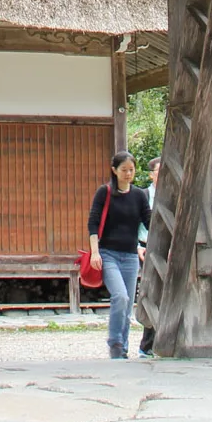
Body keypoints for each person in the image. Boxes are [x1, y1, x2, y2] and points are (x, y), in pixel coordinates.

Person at [87, 150, 151, 359]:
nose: (128, 173)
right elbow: (93, 223)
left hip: (131, 256)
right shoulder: (104, 193)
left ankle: (122, 346)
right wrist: (95, 253)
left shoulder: (139, 195)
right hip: (108, 254)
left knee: (128, 303)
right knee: (120, 297)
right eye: (124, 170)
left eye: (131, 170)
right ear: (114, 170)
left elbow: (150, 222)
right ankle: (114, 342)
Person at [137, 155, 161, 358]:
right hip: (145, 248)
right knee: (151, 293)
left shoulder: (174, 195)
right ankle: (147, 345)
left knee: (167, 295)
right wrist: (137, 247)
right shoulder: (144, 196)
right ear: (151, 174)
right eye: (158, 172)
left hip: (169, 250)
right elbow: (134, 225)